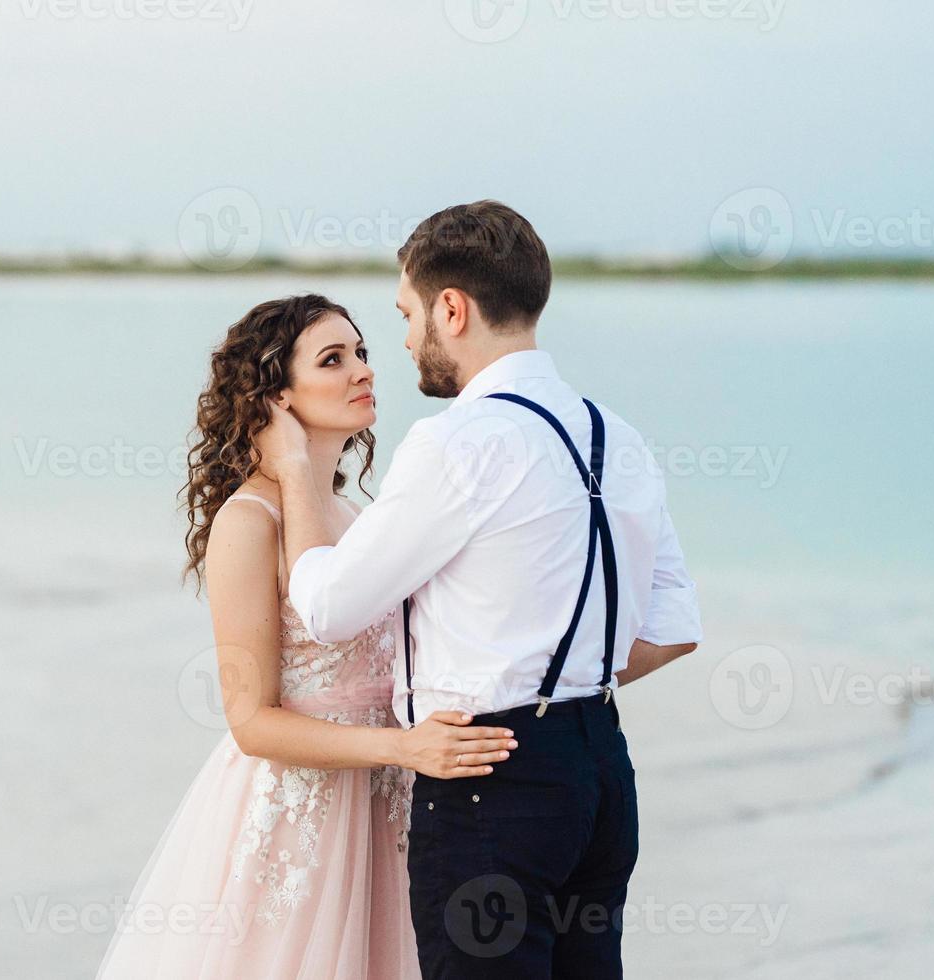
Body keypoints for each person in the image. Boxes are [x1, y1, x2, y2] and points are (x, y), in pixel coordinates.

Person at [255, 201, 704, 978]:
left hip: (488, 779)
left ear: (451, 309)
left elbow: (326, 607)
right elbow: (671, 630)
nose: (400, 342)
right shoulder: (617, 435)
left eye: (406, 314)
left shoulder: (457, 441)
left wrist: (295, 472)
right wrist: (559, 687)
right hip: (602, 776)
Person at [96, 293, 516, 980]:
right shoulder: (248, 521)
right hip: (301, 819)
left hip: (391, 809)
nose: (362, 371)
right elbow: (251, 722)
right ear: (276, 397)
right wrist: (401, 747)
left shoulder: (358, 513)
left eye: (362, 353)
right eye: (332, 359)